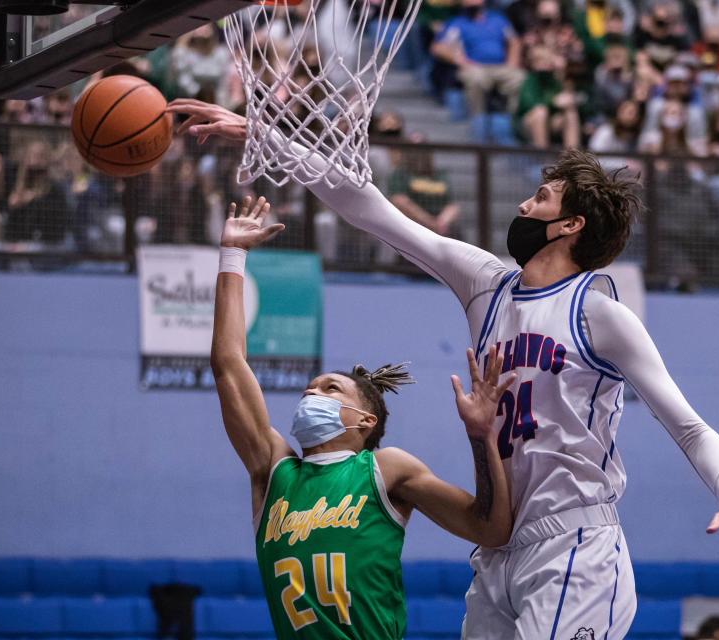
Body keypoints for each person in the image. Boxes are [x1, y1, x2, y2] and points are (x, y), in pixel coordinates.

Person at [168, 99, 719, 640]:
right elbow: (371, 209)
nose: (522, 203)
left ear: (569, 226)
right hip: (499, 545)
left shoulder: (600, 313)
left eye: (540, 198)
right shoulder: (486, 285)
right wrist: (264, 136)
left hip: (574, 544)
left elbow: (689, 427)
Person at [211, 195, 517, 637]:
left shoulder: (384, 469)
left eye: (329, 388)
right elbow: (228, 364)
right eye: (309, 388)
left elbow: (489, 529)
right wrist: (232, 256)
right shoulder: (273, 470)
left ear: (364, 420)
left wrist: (481, 435)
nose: (310, 393)